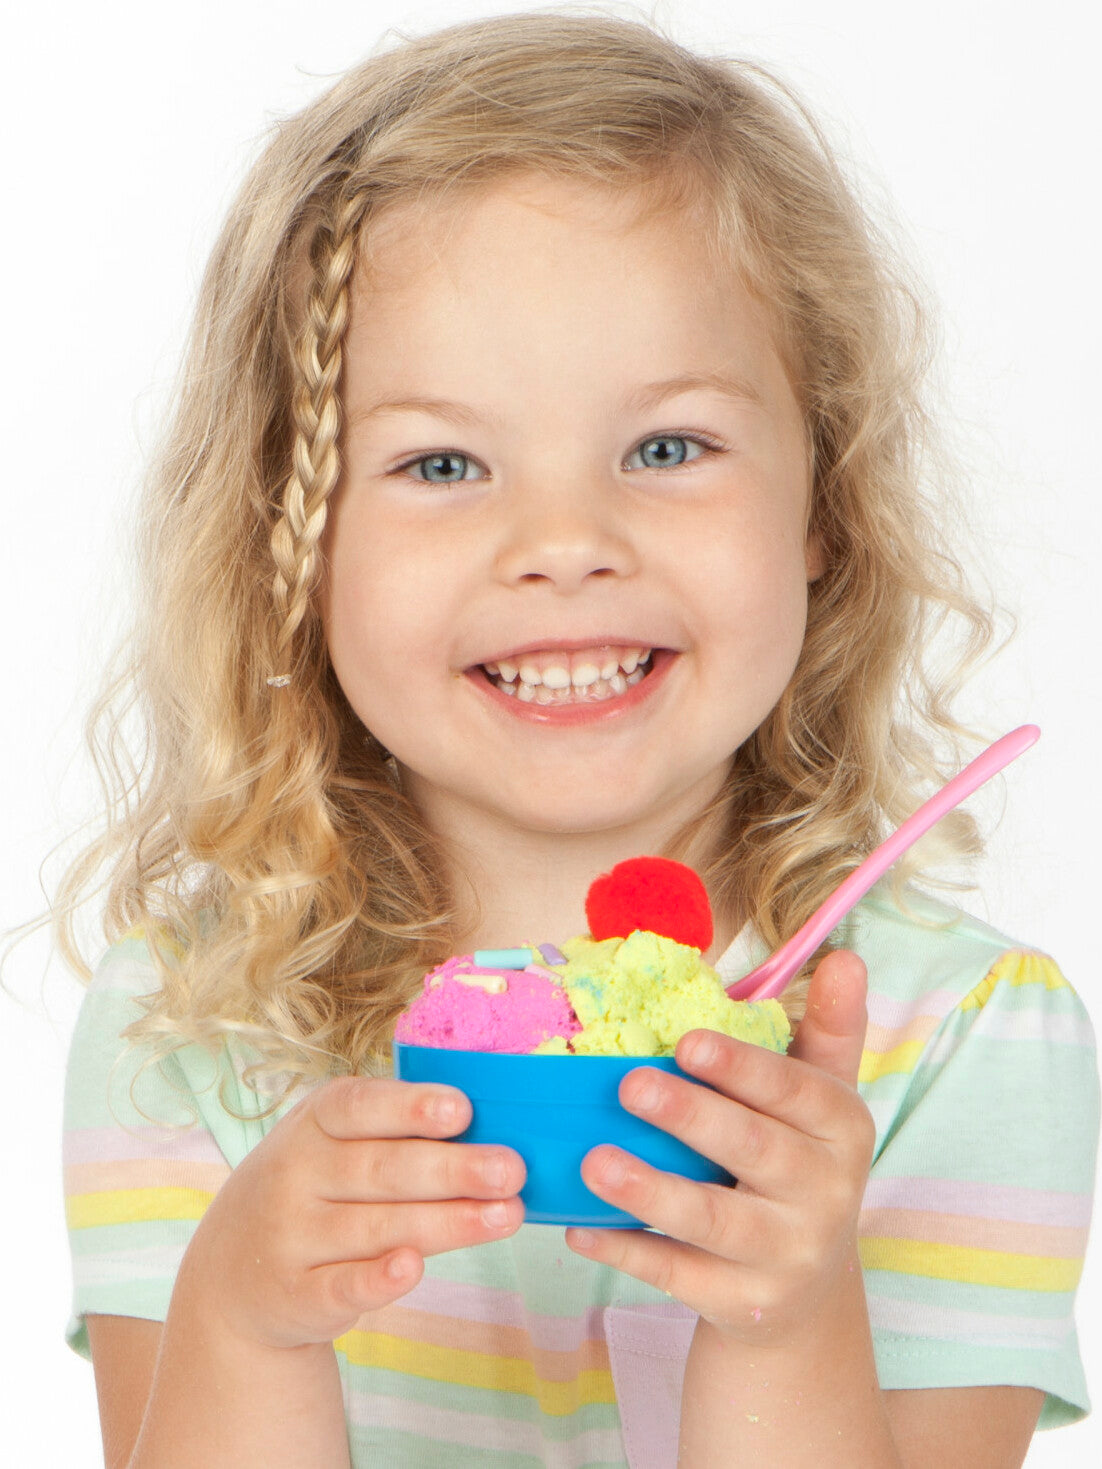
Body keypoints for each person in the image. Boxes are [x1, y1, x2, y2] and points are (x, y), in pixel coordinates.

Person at [54, 10, 1097, 1467]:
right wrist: (241, 1319)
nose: (562, 543)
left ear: (825, 504)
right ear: (290, 546)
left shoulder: (960, 1042)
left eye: (666, 447)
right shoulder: (195, 1020)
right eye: (440, 462)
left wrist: (789, 1322)